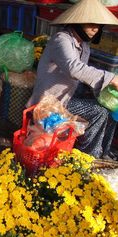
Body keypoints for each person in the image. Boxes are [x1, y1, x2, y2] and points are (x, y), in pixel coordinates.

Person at [27, 0, 118, 159]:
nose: (95, 28)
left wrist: (100, 92)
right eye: (90, 23)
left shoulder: (84, 46)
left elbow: (81, 76)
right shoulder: (61, 40)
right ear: (77, 22)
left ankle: (103, 151)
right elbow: (74, 68)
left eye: (98, 24)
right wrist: (111, 78)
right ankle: (87, 157)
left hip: (69, 97)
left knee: (109, 109)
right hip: (50, 103)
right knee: (99, 112)